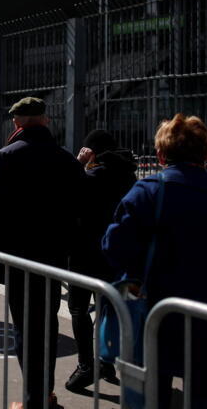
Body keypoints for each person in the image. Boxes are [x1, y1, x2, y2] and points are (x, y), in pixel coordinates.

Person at [103, 114, 207, 409]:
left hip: (157, 313)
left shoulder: (148, 192)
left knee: (150, 393)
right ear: (206, 154)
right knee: (206, 397)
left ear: (160, 154)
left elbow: (114, 247)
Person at [0, 97, 83, 409]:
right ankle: (43, 393)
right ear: (45, 121)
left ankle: (35, 400)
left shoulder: (4, 158)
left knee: (25, 328)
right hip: (55, 256)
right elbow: (82, 204)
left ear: (16, 123)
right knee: (47, 324)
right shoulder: (65, 159)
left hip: (16, 255)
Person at [64, 129, 136, 391]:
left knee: (79, 309)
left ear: (91, 152)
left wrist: (77, 165)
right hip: (114, 252)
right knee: (107, 308)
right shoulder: (128, 174)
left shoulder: (92, 176)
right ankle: (106, 361)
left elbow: (68, 197)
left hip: (85, 252)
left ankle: (86, 365)